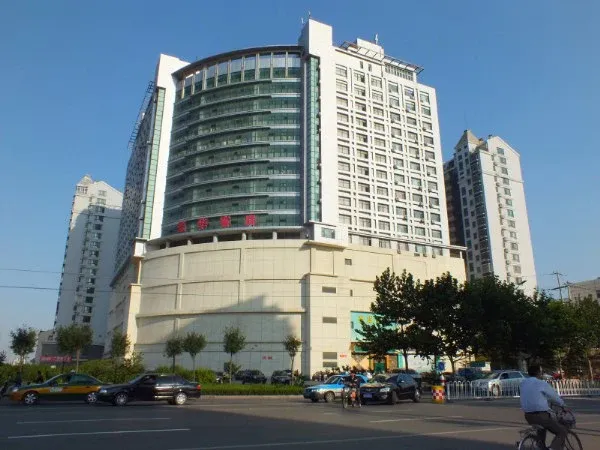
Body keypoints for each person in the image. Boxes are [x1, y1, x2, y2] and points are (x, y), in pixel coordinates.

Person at [520, 364, 568, 450]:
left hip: (528, 416)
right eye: (541, 372)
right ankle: (552, 448)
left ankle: (540, 446)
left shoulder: (523, 383)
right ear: (538, 373)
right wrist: (563, 405)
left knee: (541, 430)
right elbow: (553, 396)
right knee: (562, 432)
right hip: (541, 416)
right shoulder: (541, 383)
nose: (542, 374)